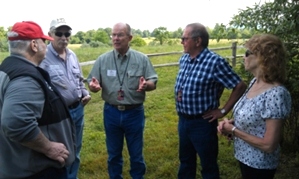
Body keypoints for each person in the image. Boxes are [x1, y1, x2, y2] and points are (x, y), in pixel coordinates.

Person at [0, 21, 75, 179]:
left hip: (15, 163)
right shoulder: (26, 78)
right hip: (36, 169)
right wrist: (49, 148)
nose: (47, 46)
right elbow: (16, 123)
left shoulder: (6, 69)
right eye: (45, 41)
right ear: (34, 45)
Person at [174, 22, 247, 179]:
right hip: (184, 120)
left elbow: (239, 85)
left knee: (208, 165)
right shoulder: (184, 59)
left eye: (184, 38)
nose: (181, 42)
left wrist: (223, 110)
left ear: (197, 41)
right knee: (186, 161)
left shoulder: (215, 62)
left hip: (202, 123)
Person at [87, 22, 158, 179]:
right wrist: (93, 87)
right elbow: (92, 82)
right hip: (111, 112)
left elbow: (153, 81)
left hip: (134, 113)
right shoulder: (102, 60)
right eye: (113, 35)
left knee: (136, 155)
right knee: (113, 155)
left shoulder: (141, 59)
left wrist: (147, 85)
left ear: (130, 37)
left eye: (120, 35)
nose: (116, 38)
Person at [217, 34, 291, 179]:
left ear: (262, 57)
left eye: (247, 53)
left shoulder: (276, 94)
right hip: (244, 157)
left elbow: (269, 145)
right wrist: (233, 124)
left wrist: (233, 130)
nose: (243, 57)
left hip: (260, 165)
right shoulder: (254, 82)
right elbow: (255, 118)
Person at [39, 18, 91, 179]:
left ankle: (72, 176)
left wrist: (84, 92)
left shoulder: (73, 55)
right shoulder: (42, 57)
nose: (64, 37)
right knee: (60, 152)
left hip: (77, 110)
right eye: (59, 33)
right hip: (57, 116)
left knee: (75, 149)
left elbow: (79, 79)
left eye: (67, 33)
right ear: (50, 35)